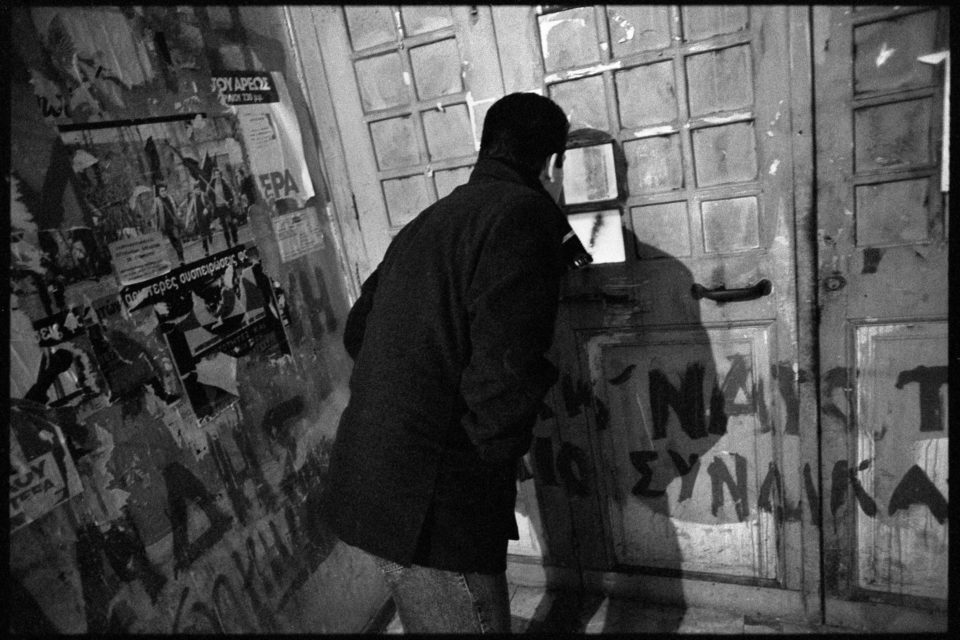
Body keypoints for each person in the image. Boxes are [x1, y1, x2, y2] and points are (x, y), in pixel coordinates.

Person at [322, 92, 591, 634]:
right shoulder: (523, 216)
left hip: (370, 473)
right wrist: (487, 469)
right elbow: (507, 372)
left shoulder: (431, 219)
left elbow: (358, 332)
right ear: (552, 163)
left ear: (487, 146)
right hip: (431, 500)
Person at [153, 183, 185, 263]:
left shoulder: (170, 198)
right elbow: (155, 215)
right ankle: (179, 253)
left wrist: (179, 212)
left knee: (177, 238)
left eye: (165, 190)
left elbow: (177, 207)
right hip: (166, 226)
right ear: (159, 193)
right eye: (162, 191)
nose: (164, 192)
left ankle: (181, 257)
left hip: (174, 223)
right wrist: (157, 226)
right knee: (173, 241)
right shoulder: (157, 202)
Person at [206, 167, 238, 247]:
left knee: (231, 224)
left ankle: (235, 240)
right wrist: (208, 188)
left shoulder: (224, 184)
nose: (217, 176)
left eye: (218, 174)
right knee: (224, 226)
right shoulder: (212, 185)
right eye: (216, 175)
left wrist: (229, 202)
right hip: (219, 208)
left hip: (226, 207)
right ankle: (228, 242)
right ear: (214, 176)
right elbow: (208, 195)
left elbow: (231, 195)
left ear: (220, 175)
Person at [181, 182, 213, 256]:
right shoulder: (193, 199)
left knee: (207, 230)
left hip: (206, 217)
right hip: (199, 219)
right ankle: (206, 250)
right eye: (196, 190)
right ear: (194, 191)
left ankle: (210, 235)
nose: (198, 191)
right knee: (202, 233)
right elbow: (190, 210)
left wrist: (207, 209)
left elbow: (210, 204)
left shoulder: (204, 195)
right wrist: (189, 219)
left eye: (198, 189)